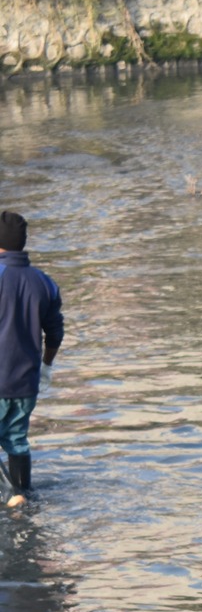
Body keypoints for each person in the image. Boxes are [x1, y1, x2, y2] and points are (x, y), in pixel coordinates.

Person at [0, 211, 64, 509]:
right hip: (26, 382)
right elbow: (54, 333)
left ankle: (13, 494)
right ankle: (22, 497)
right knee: (16, 440)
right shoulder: (45, 283)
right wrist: (47, 367)